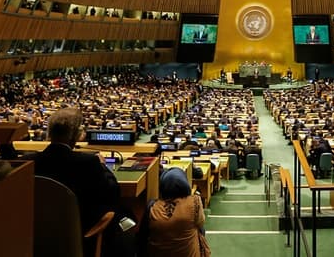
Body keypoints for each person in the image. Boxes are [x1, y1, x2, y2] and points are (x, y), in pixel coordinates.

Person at [25, 107, 121, 251]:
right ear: (77, 134)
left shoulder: (27, 162)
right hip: (79, 234)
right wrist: (103, 166)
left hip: (33, 234)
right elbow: (113, 193)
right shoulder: (89, 163)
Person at [139, 167, 208, 257]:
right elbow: (201, 224)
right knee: (199, 228)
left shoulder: (152, 207)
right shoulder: (195, 202)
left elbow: (142, 236)